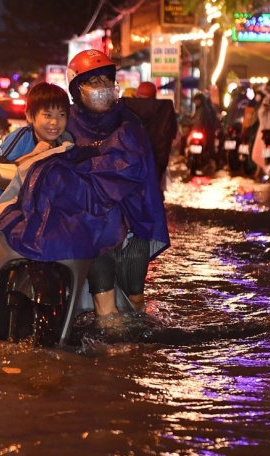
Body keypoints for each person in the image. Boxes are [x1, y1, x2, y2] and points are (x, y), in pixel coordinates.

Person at [64, 49, 169, 317]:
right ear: (78, 89)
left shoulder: (130, 124)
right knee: (105, 306)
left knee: (135, 300)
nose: (103, 88)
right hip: (94, 229)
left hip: (134, 226)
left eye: (106, 80)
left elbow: (139, 173)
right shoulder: (66, 125)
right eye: (94, 82)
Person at [0, 82, 73, 201]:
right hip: (8, 203)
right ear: (30, 116)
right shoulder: (22, 136)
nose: (54, 122)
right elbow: (3, 166)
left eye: (61, 115)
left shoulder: (66, 140)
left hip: (46, 204)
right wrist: (34, 155)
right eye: (47, 115)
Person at [120, 80, 178, 188]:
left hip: (130, 160)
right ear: (154, 95)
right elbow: (172, 132)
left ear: (137, 94)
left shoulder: (125, 106)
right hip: (157, 160)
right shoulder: (165, 109)